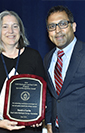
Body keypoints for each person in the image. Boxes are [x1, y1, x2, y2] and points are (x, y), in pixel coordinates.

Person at [0, 10, 45, 133]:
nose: (10, 31)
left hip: (27, 125)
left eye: (15, 26)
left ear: (20, 31)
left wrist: (38, 117)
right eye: (5, 27)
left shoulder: (33, 56)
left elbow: (42, 93)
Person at [44, 5, 85, 133]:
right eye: (52, 26)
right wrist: (49, 121)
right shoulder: (48, 58)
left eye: (62, 24)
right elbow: (52, 95)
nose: (57, 30)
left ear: (73, 27)